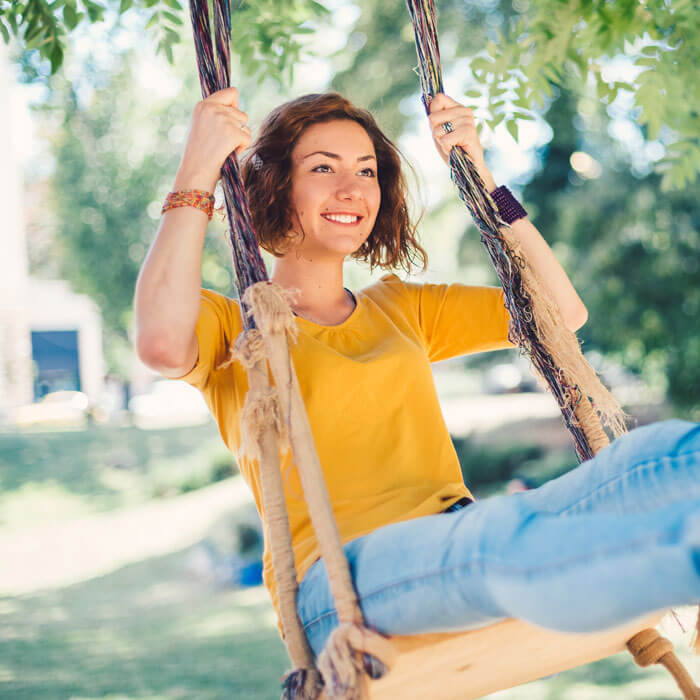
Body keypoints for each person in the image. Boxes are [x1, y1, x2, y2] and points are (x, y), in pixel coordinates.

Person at [134, 86, 700, 659]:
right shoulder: (236, 330)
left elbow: (561, 312)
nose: (352, 188)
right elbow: (159, 343)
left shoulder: (401, 308)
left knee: (663, 458)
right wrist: (199, 165)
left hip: (458, 541)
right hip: (343, 586)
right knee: (501, 539)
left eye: (367, 170)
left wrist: (479, 171)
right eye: (322, 167)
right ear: (276, 184)